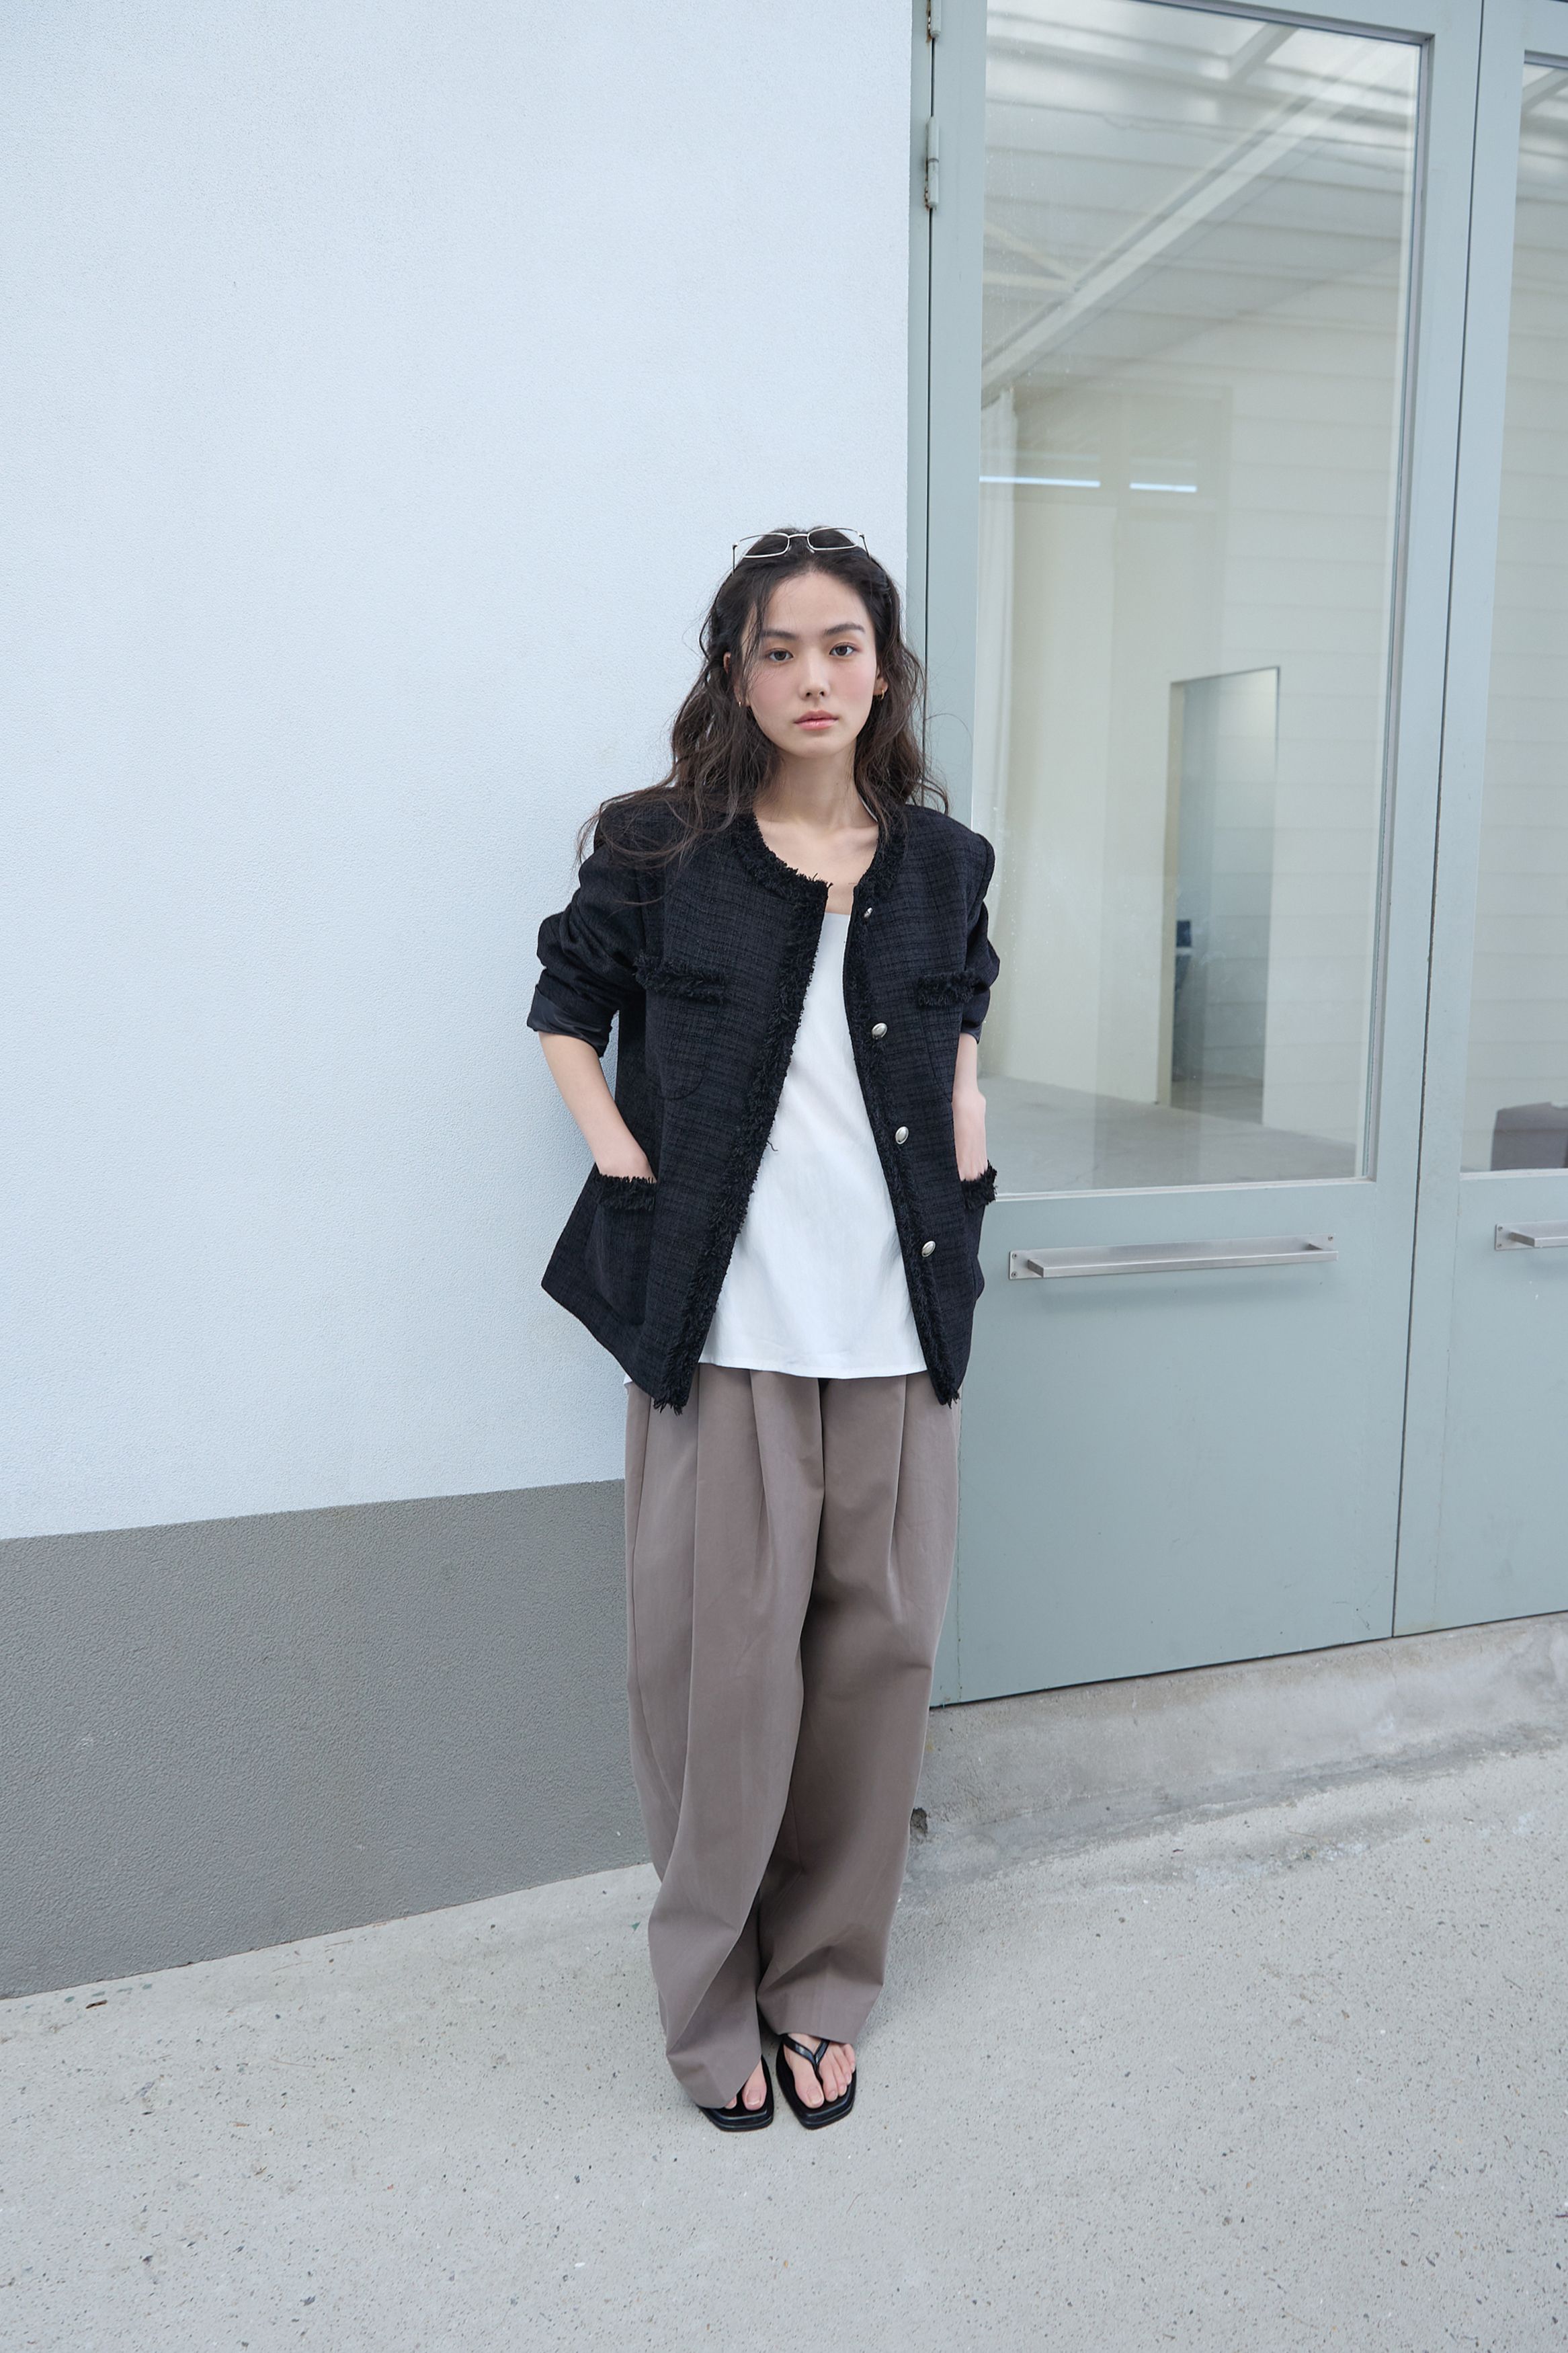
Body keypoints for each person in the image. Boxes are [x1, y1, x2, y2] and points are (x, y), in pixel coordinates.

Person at [528, 526, 999, 2131]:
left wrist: (970, 1122)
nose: (814, 677)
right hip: (729, 1324)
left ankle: (826, 1981)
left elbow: (959, 1005)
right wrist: (617, 1148)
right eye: (780, 649)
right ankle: (709, 1996)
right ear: (736, 671)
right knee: (721, 1675)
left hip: (896, 1322)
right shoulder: (660, 848)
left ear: (885, 668)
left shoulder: (943, 860)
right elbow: (566, 1003)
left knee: (881, 1661)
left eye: (842, 646)